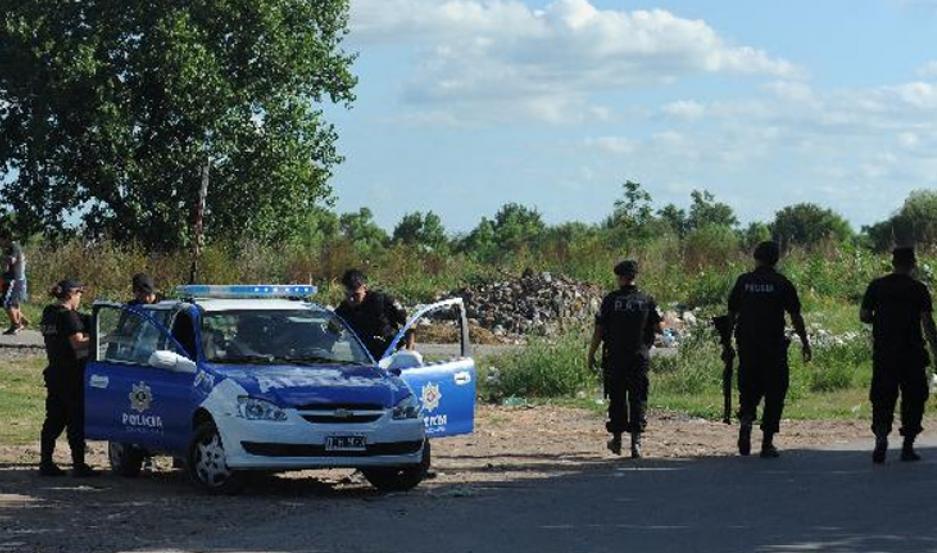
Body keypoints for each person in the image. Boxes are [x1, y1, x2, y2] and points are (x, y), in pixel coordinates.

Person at [726, 241, 811, 459]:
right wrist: (805, 341)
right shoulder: (782, 283)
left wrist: (727, 343)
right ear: (776, 260)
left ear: (756, 257)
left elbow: (731, 314)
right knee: (775, 391)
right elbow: (795, 316)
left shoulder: (744, 282)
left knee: (749, 387)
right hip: (773, 347)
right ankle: (767, 443)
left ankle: (746, 419)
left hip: (748, 346)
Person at [860, 247, 937, 464]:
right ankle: (908, 446)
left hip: (885, 352)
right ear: (913, 263)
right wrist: (935, 347)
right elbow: (927, 322)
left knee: (882, 396)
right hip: (912, 352)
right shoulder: (918, 288)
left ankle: (882, 435)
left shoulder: (877, 286)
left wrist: (883, 322)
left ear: (893, 262)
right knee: (914, 397)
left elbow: (864, 315)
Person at [587, 259, 662, 459]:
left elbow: (599, 330)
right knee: (638, 397)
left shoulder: (611, 300)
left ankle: (618, 440)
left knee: (617, 397)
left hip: (615, 358)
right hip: (639, 357)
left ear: (620, 277)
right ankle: (636, 442)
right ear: (634, 277)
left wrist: (591, 353)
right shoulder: (646, 299)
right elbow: (659, 328)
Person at [38, 279, 96, 477]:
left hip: (55, 372)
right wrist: (101, 338)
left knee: (53, 419)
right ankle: (79, 465)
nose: (80, 298)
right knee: (75, 420)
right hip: (71, 374)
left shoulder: (49, 312)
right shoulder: (68, 316)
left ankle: (45, 462)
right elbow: (78, 344)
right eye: (80, 294)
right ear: (72, 294)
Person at [335, 269, 412, 360]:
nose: (351, 300)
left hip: (391, 356)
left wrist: (409, 350)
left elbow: (409, 324)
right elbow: (330, 334)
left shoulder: (382, 301)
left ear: (364, 288)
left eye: (356, 295)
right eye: (347, 295)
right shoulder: (343, 310)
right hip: (364, 360)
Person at [1, 237, 29, 335]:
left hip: (15, 279)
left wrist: (3, 258)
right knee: (13, 303)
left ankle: (16, 324)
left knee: (6, 303)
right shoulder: (11, 247)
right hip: (15, 279)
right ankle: (21, 321)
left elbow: (11, 261)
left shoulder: (13, 247)